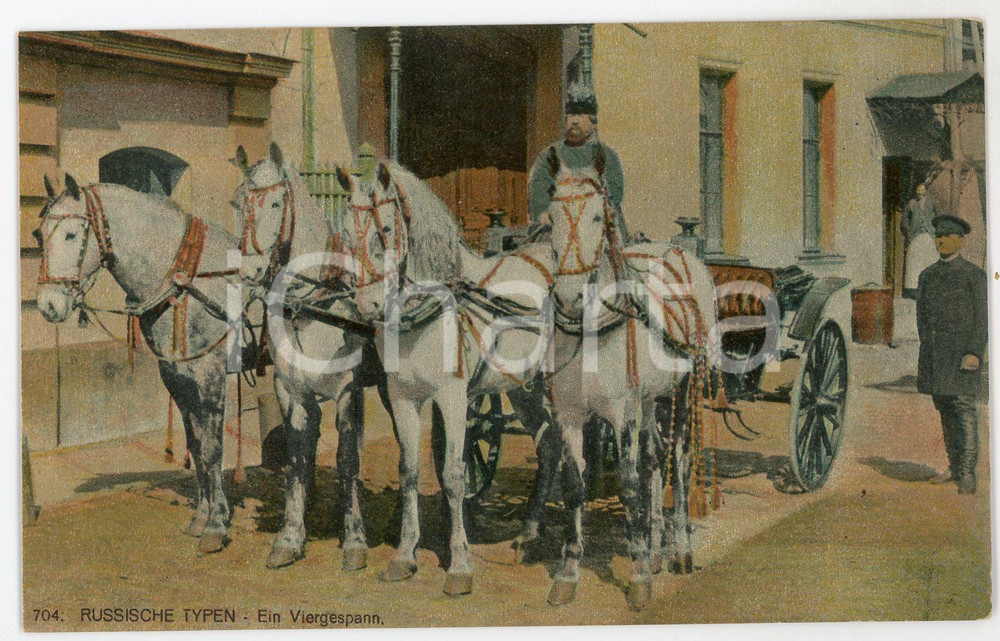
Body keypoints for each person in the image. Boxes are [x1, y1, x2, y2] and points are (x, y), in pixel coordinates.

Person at [916, 214, 988, 495]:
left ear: (959, 239)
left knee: (964, 411)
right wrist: (927, 347)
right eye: (938, 236)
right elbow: (921, 318)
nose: (941, 240)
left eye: (947, 236)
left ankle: (967, 474)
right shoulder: (927, 275)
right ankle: (954, 467)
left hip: (962, 357)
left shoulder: (974, 276)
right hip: (936, 356)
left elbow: (983, 319)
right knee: (945, 410)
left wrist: (973, 352)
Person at [528, 81, 629, 242]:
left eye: (581, 115)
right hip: (558, 228)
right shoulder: (551, 155)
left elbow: (614, 193)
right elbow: (539, 186)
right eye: (571, 115)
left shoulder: (606, 156)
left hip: (597, 230)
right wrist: (542, 212)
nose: (574, 121)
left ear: (592, 121)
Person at [901, 183, 939, 298]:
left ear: (925, 191)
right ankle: (914, 290)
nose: (919, 193)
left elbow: (939, 215)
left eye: (921, 191)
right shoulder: (912, 203)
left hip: (929, 235)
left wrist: (935, 229)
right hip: (915, 236)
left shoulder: (931, 202)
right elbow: (904, 218)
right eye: (917, 191)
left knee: (929, 260)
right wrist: (908, 231)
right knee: (914, 262)